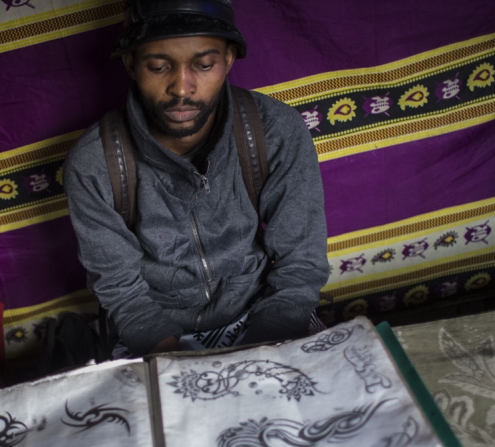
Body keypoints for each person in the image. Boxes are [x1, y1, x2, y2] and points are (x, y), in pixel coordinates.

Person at [63, 0, 328, 357]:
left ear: (229, 59)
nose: (182, 88)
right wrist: (178, 363)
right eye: (158, 67)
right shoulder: (95, 162)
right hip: (152, 325)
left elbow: (302, 261)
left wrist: (261, 352)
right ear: (131, 64)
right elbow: (120, 288)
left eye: (203, 65)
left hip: (263, 312)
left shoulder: (274, 130)